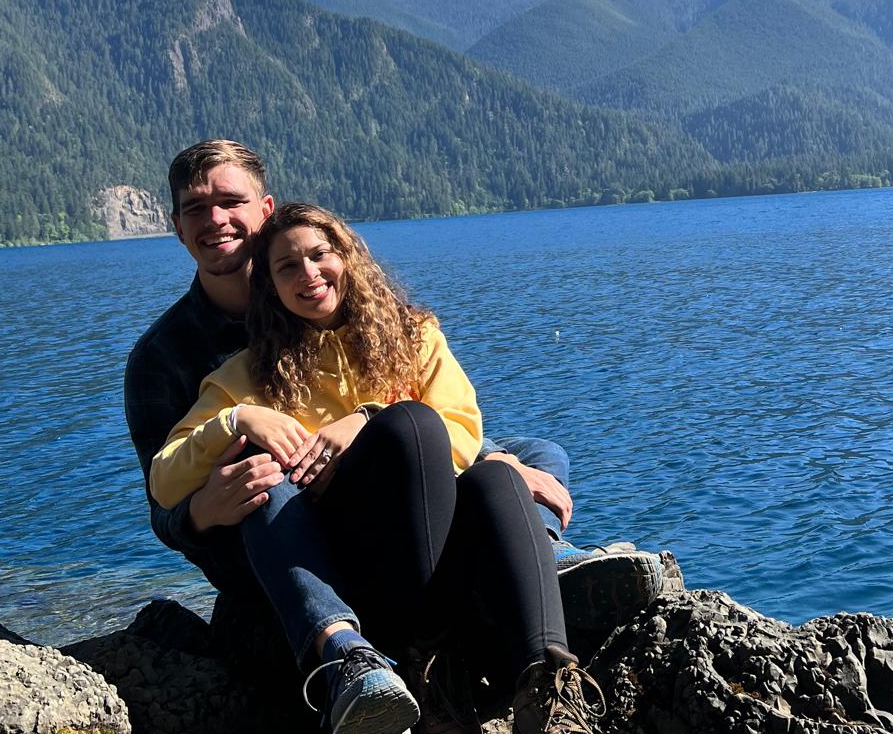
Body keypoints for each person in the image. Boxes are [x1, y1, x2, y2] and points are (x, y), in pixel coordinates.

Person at [150, 200, 613, 734]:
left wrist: (365, 420)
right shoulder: (249, 373)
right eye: (287, 266)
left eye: (321, 255)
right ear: (268, 285)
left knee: (493, 472)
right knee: (399, 430)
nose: (308, 273)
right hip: (352, 565)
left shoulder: (412, 334)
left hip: (435, 549)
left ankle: (545, 691)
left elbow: (463, 429)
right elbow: (164, 479)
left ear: (349, 258)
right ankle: (426, 668)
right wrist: (238, 418)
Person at [123, 140, 668, 637]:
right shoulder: (165, 358)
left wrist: (491, 457)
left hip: (382, 475)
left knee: (537, 454)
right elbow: (163, 503)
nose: (215, 219)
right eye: (196, 208)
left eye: (230, 201)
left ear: (265, 212)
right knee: (286, 493)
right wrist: (200, 512)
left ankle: (546, 559)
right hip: (284, 528)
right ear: (176, 226)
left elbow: (419, 416)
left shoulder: (346, 316)